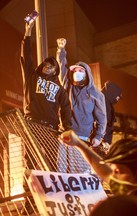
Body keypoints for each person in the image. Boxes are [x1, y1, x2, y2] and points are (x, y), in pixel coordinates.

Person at [58, 130, 137, 216]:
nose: (112, 177)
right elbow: (103, 170)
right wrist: (78, 143)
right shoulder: (134, 195)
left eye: (117, 171)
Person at [20, 18, 72, 215]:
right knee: (31, 163)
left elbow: (66, 108)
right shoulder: (32, 77)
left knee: (50, 164)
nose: (49, 67)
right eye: (46, 64)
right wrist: (28, 31)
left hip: (51, 128)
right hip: (32, 124)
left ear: (56, 70)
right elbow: (27, 55)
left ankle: (48, 203)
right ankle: (29, 204)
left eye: (52, 66)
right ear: (41, 66)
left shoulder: (59, 87)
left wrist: (66, 127)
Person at [56, 38, 107, 173]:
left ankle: (83, 194)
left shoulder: (96, 94)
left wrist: (98, 136)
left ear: (87, 74)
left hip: (82, 137)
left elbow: (101, 118)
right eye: (75, 70)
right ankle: (66, 194)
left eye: (80, 70)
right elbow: (62, 68)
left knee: (80, 171)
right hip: (65, 133)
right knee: (62, 170)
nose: (77, 73)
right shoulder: (69, 87)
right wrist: (61, 50)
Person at [93, 81, 122, 157]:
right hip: (100, 142)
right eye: (117, 96)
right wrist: (105, 140)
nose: (118, 98)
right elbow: (102, 122)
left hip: (100, 141)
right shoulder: (103, 103)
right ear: (112, 93)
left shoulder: (106, 102)